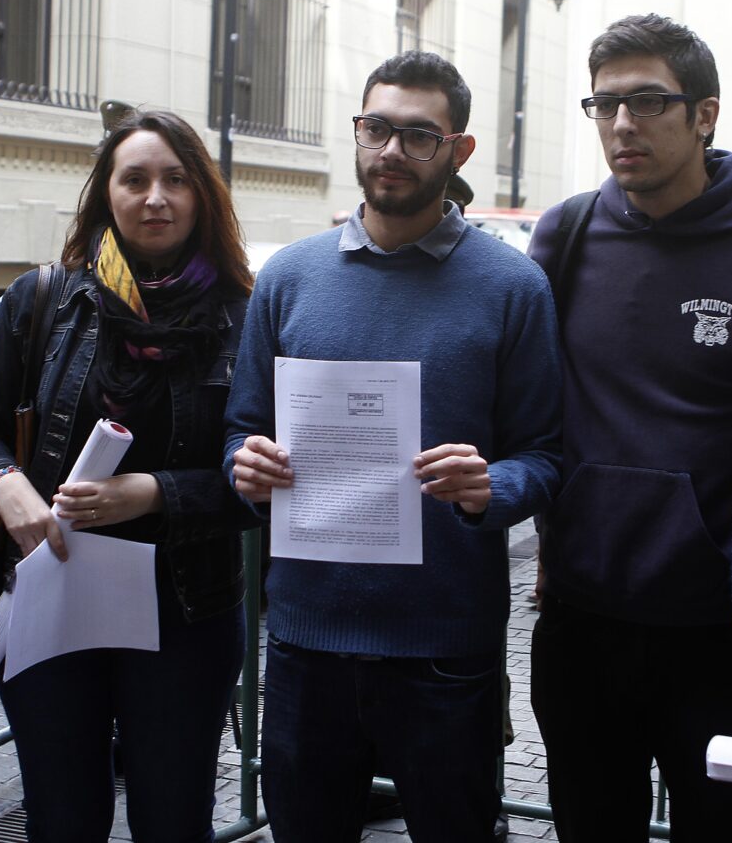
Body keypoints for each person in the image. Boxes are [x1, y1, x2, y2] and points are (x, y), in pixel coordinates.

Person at [225, 50, 561, 843]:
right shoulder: (289, 278)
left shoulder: (512, 288)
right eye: (375, 128)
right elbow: (241, 430)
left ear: (458, 150)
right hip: (305, 641)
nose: (390, 150)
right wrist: (246, 466)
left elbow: (545, 456)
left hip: (443, 648)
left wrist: (492, 487)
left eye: (417, 135)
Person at [527, 13, 732, 842]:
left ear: (704, 114)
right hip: (582, 620)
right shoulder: (566, 235)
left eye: (646, 101)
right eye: (603, 105)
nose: (621, 125)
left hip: (721, 632)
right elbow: (530, 407)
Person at [0, 109, 255, 842]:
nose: (155, 197)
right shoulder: (40, 300)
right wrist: (4, 482)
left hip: (185, 610)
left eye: (175, 179)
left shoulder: (244, 316)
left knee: (173, 820)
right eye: (135, 179)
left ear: (201, 196)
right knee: (62, 818)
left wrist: (154, 493)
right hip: (53, 594)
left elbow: (264, 478)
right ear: (106, 193)